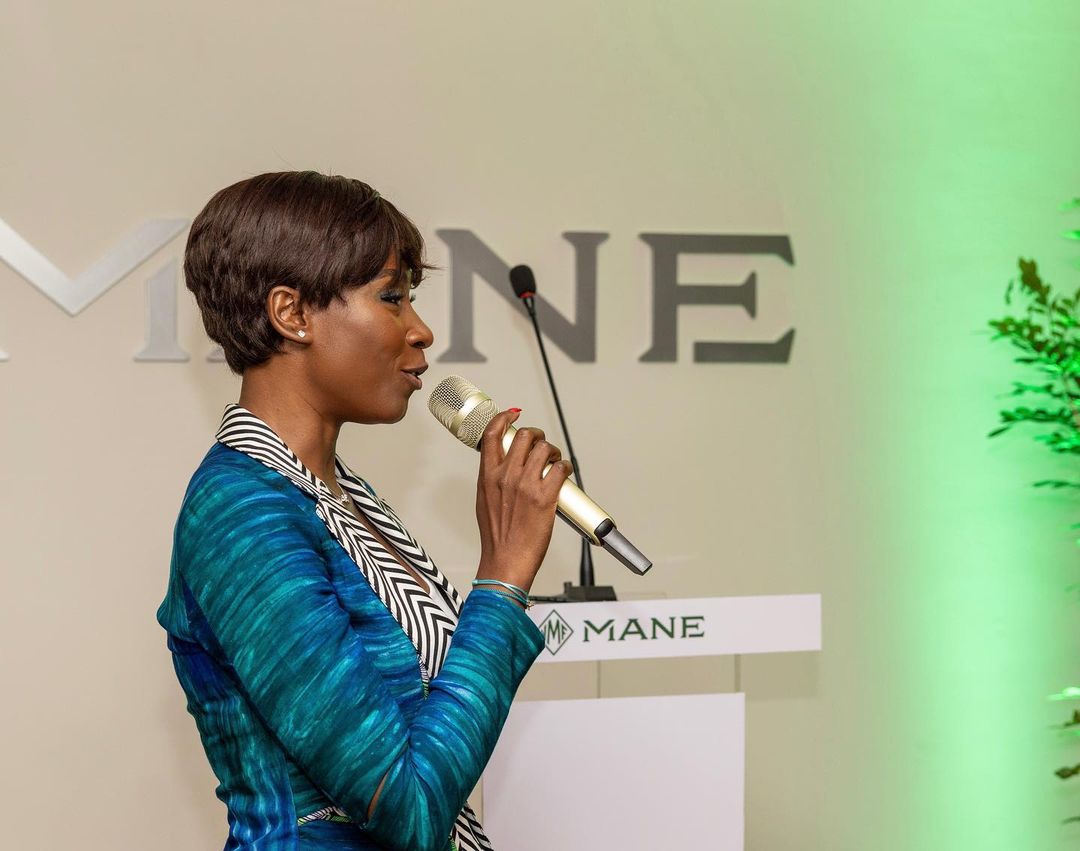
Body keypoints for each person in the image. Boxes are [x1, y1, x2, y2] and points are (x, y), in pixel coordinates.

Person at [155, 170, 573, 851]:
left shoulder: (339, 493)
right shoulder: (242, 513)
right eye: (392, 297)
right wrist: (501, 578)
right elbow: (404, 808)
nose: (421, 330)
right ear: (290, 313)